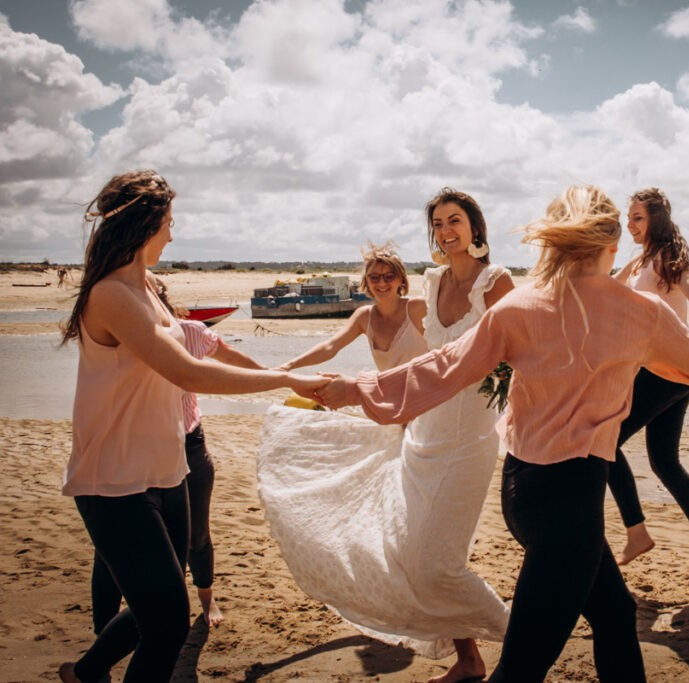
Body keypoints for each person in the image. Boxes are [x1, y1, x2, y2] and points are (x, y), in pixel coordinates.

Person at [315, 184, 689, 682]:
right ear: (613, 243)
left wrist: (357, 388)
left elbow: (442, 368)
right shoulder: (641, 313)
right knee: (520, 670)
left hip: (521, 495)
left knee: (616, 614)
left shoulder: (521, 306)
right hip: (571, 503)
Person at [57, 170, 326, 683]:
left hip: (168, 472)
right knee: (167, 626)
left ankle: (86, 672)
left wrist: (282, 373)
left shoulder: (148, 289)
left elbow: (207, 347)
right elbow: (187, 372)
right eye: (169, 224)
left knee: (158, 609)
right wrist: (287, 378)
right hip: (113, 482)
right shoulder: (110, 295)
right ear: (145, 224)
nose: (173, 236)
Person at [258, 190, 514, 683]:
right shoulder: (434, 281)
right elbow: (430, 360)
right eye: (437, 223)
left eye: (455, 220)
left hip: (469, 437)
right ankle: (469, 659)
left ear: (475, 227)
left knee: (435, 564)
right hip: (421, 429)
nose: (446, 231)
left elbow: (511, 352)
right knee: (412, 552)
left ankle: (522, 638)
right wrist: (292, 373)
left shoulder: (495, 282)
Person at [89, 280, 266, 633]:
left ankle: (206, 598)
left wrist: (277, 377)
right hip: (135, 448)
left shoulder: (190, 332)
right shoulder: (121, 334)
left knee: (196, 534)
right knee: (113, 546)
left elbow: (230, 357)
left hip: (188, 445)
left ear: (158, 300)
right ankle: (104, 630)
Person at [606, 188, 689, 585]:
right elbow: (608, 290)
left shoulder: (667, 257)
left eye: (638, 218)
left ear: (656, 219)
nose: (630, 225)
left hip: (664, 372)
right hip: (674, 373)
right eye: (629, 218)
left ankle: (636, 532)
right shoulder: (643, 259)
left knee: (606, 443)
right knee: (665, 462)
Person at [277, 243, 428, 378]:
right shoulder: (364, 316)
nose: (382, 283)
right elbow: (330, 347)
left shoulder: (418, 308)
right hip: (391, 395)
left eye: (389, 276)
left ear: (401, 279)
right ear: (366, 281)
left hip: (428, 395)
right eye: (374, 277)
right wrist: (287, 367)